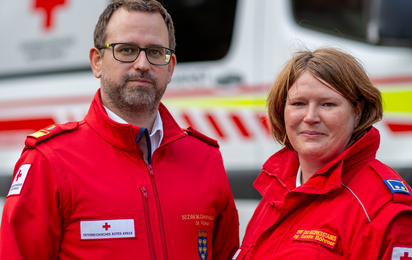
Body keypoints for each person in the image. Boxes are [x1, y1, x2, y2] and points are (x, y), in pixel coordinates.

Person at [0, 0, 239, 259]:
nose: (142, 64)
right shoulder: (49, 161)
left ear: (170, 68)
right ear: (97, 62)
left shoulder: (205, 158)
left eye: (156, 52)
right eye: (126, 50)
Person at [233, 48, 412, 259]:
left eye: (328, 104)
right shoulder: (276, 192)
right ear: (282, 110)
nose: (310, 117)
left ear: (357, 112)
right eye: (298, 103)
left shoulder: (382, 208)